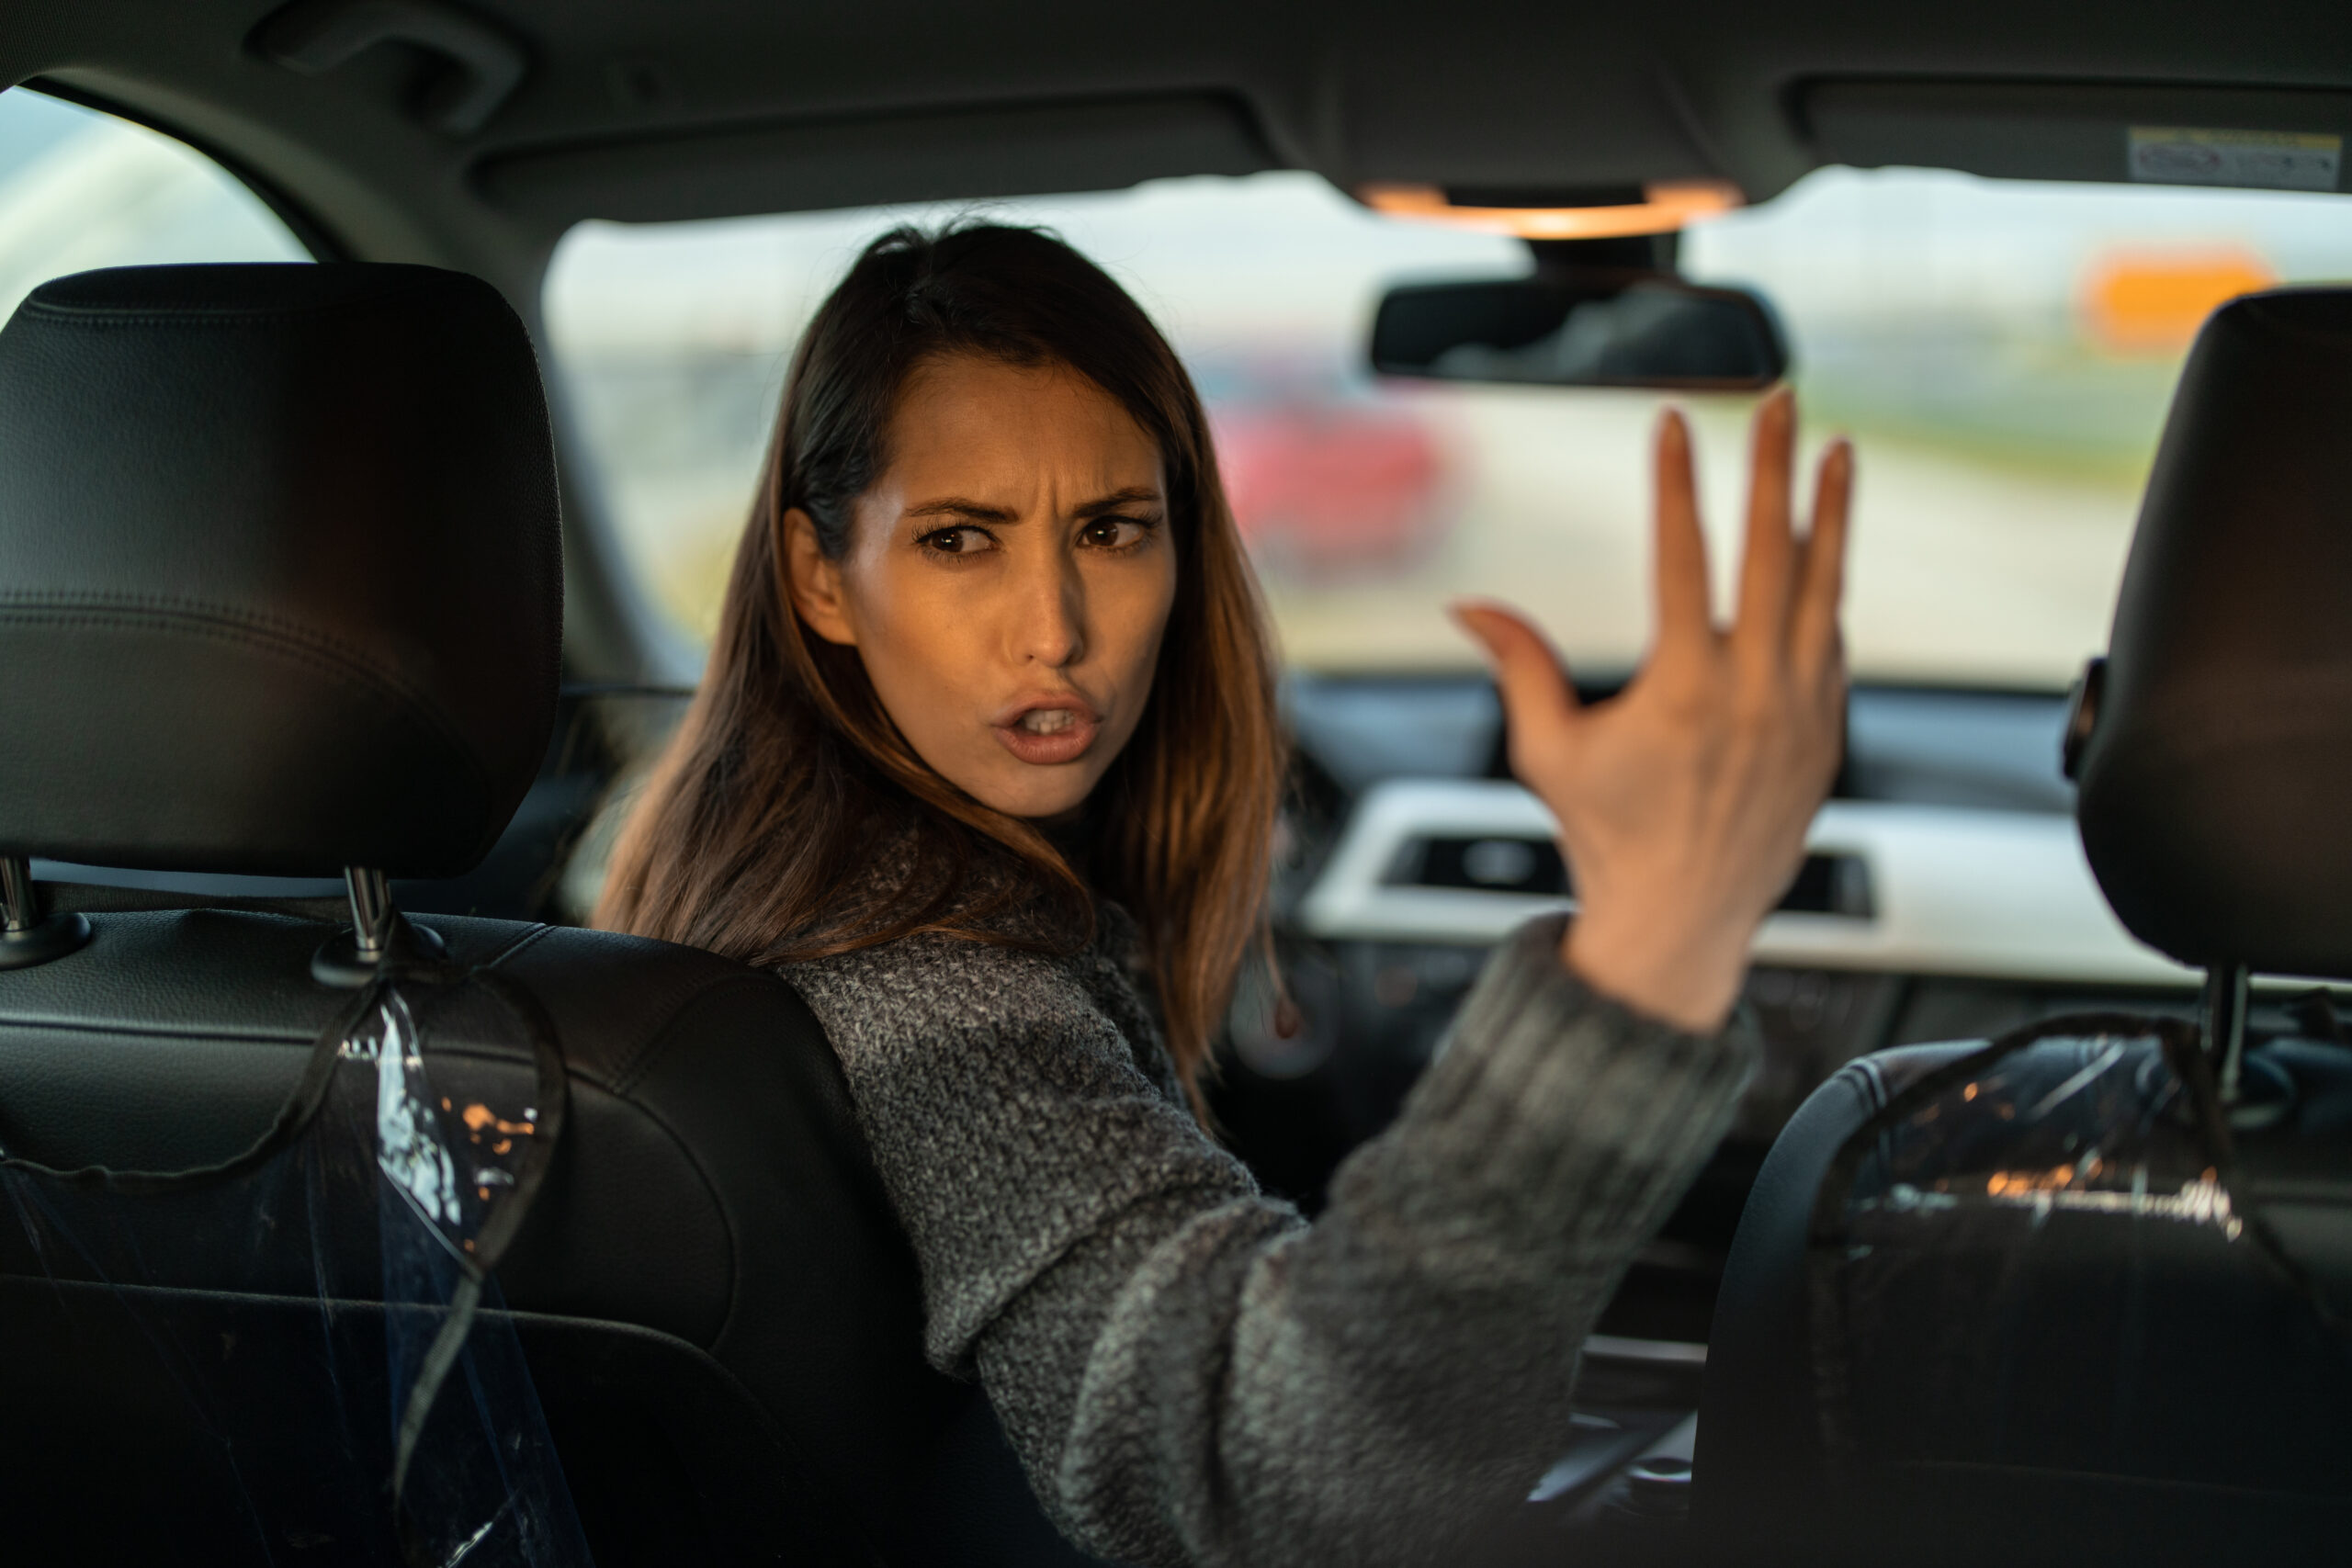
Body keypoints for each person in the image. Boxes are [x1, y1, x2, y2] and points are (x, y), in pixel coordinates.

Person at [597, 222, 1851, 1566]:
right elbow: (1269, 1481)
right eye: (962, 539)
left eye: (1112, 530)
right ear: (819, 579)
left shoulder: (730, 871)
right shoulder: (926, 982)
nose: (1056, 629)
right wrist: (1654, 946)